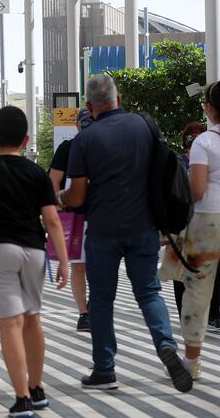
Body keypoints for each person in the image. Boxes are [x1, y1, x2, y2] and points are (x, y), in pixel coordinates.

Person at [60, 74, 192, 393]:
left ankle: (105, 369)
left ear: (90, 107)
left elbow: (76, 197)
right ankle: (166, 345)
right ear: (117, 100)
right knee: (148, 292)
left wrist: (59, 199)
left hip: (104, 230)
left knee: (102, 299)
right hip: (145, 227)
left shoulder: (84, 140)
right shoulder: (143, 127)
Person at [0, 106, 68, 418]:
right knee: (33, 319)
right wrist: (62, 261)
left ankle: (21, 398)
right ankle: (37, 388)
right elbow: (52, 221)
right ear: (26, 139)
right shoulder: (38, 175)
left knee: (10, 323)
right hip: (34, 252)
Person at [175, 81, 220, 378]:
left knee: (198, 292)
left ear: (209, 108)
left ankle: (192, 363)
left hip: (207, 221)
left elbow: (199, 190)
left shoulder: (204, 143)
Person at [49, 107, 93, 332]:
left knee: (101, 265)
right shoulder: (67, 148)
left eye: (91, 121)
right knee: (78, 266)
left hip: (101, 215)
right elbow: (53, 179)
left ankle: (96, 305)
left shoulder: (103, 147)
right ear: (77, 125)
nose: (88, 125)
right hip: (75, 215)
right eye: (84, 122)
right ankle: (84, 312)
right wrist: (58, 205)